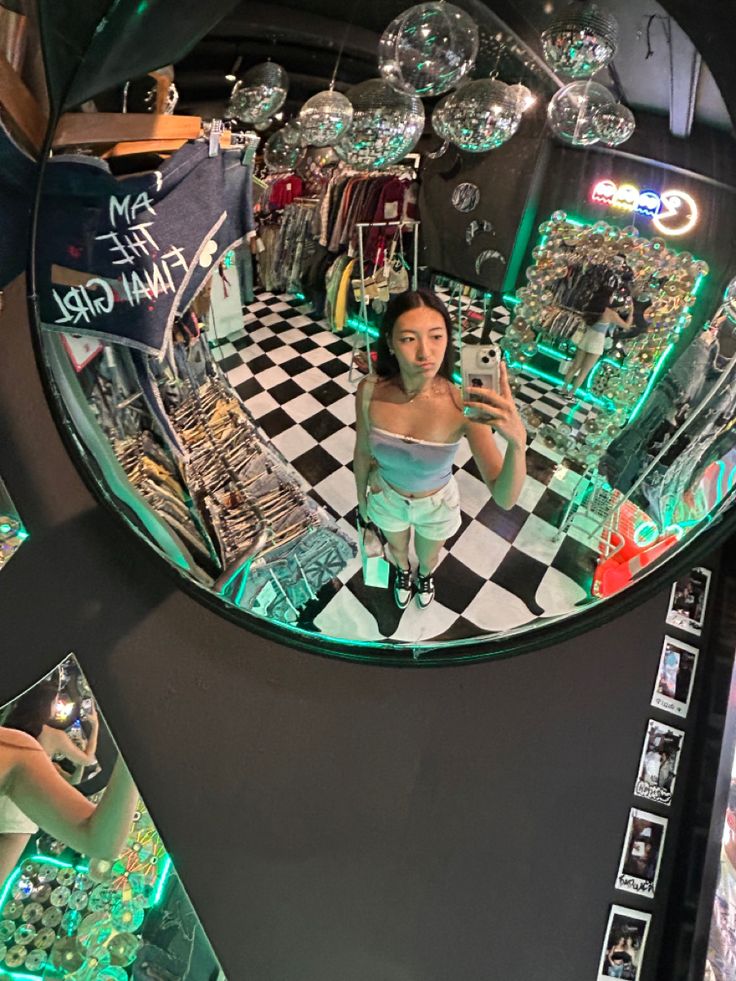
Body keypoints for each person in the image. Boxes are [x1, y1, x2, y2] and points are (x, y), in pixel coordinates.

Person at [354, 289, 527, 610]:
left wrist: (518, 443)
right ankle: (404, 572)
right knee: (398, 549)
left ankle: (424, 575)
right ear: (390, 342)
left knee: (429, 555)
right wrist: (361, 498)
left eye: (436, 336)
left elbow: (505, 498)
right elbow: (362, 451)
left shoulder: (463, 404)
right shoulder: (369, 392)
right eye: (408, 339)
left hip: (436, 505)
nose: (425, 353)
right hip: (387, 497)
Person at [0, 684, 137, 890]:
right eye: (57, 702)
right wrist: (95, 726)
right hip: (22, 809)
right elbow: (88, 758)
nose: (58, 707)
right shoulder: (30, 743)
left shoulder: (16, 740)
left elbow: (98, 840)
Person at [562, 285, 633, 395]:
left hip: (585, 339)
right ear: (608, 297)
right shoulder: (610, 313)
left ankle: (563, 389)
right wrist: (631, 311)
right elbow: (627, 326)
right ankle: (570, 394)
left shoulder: (590, 307)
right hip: (597, 343)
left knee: (574, 367)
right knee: (584, 372)